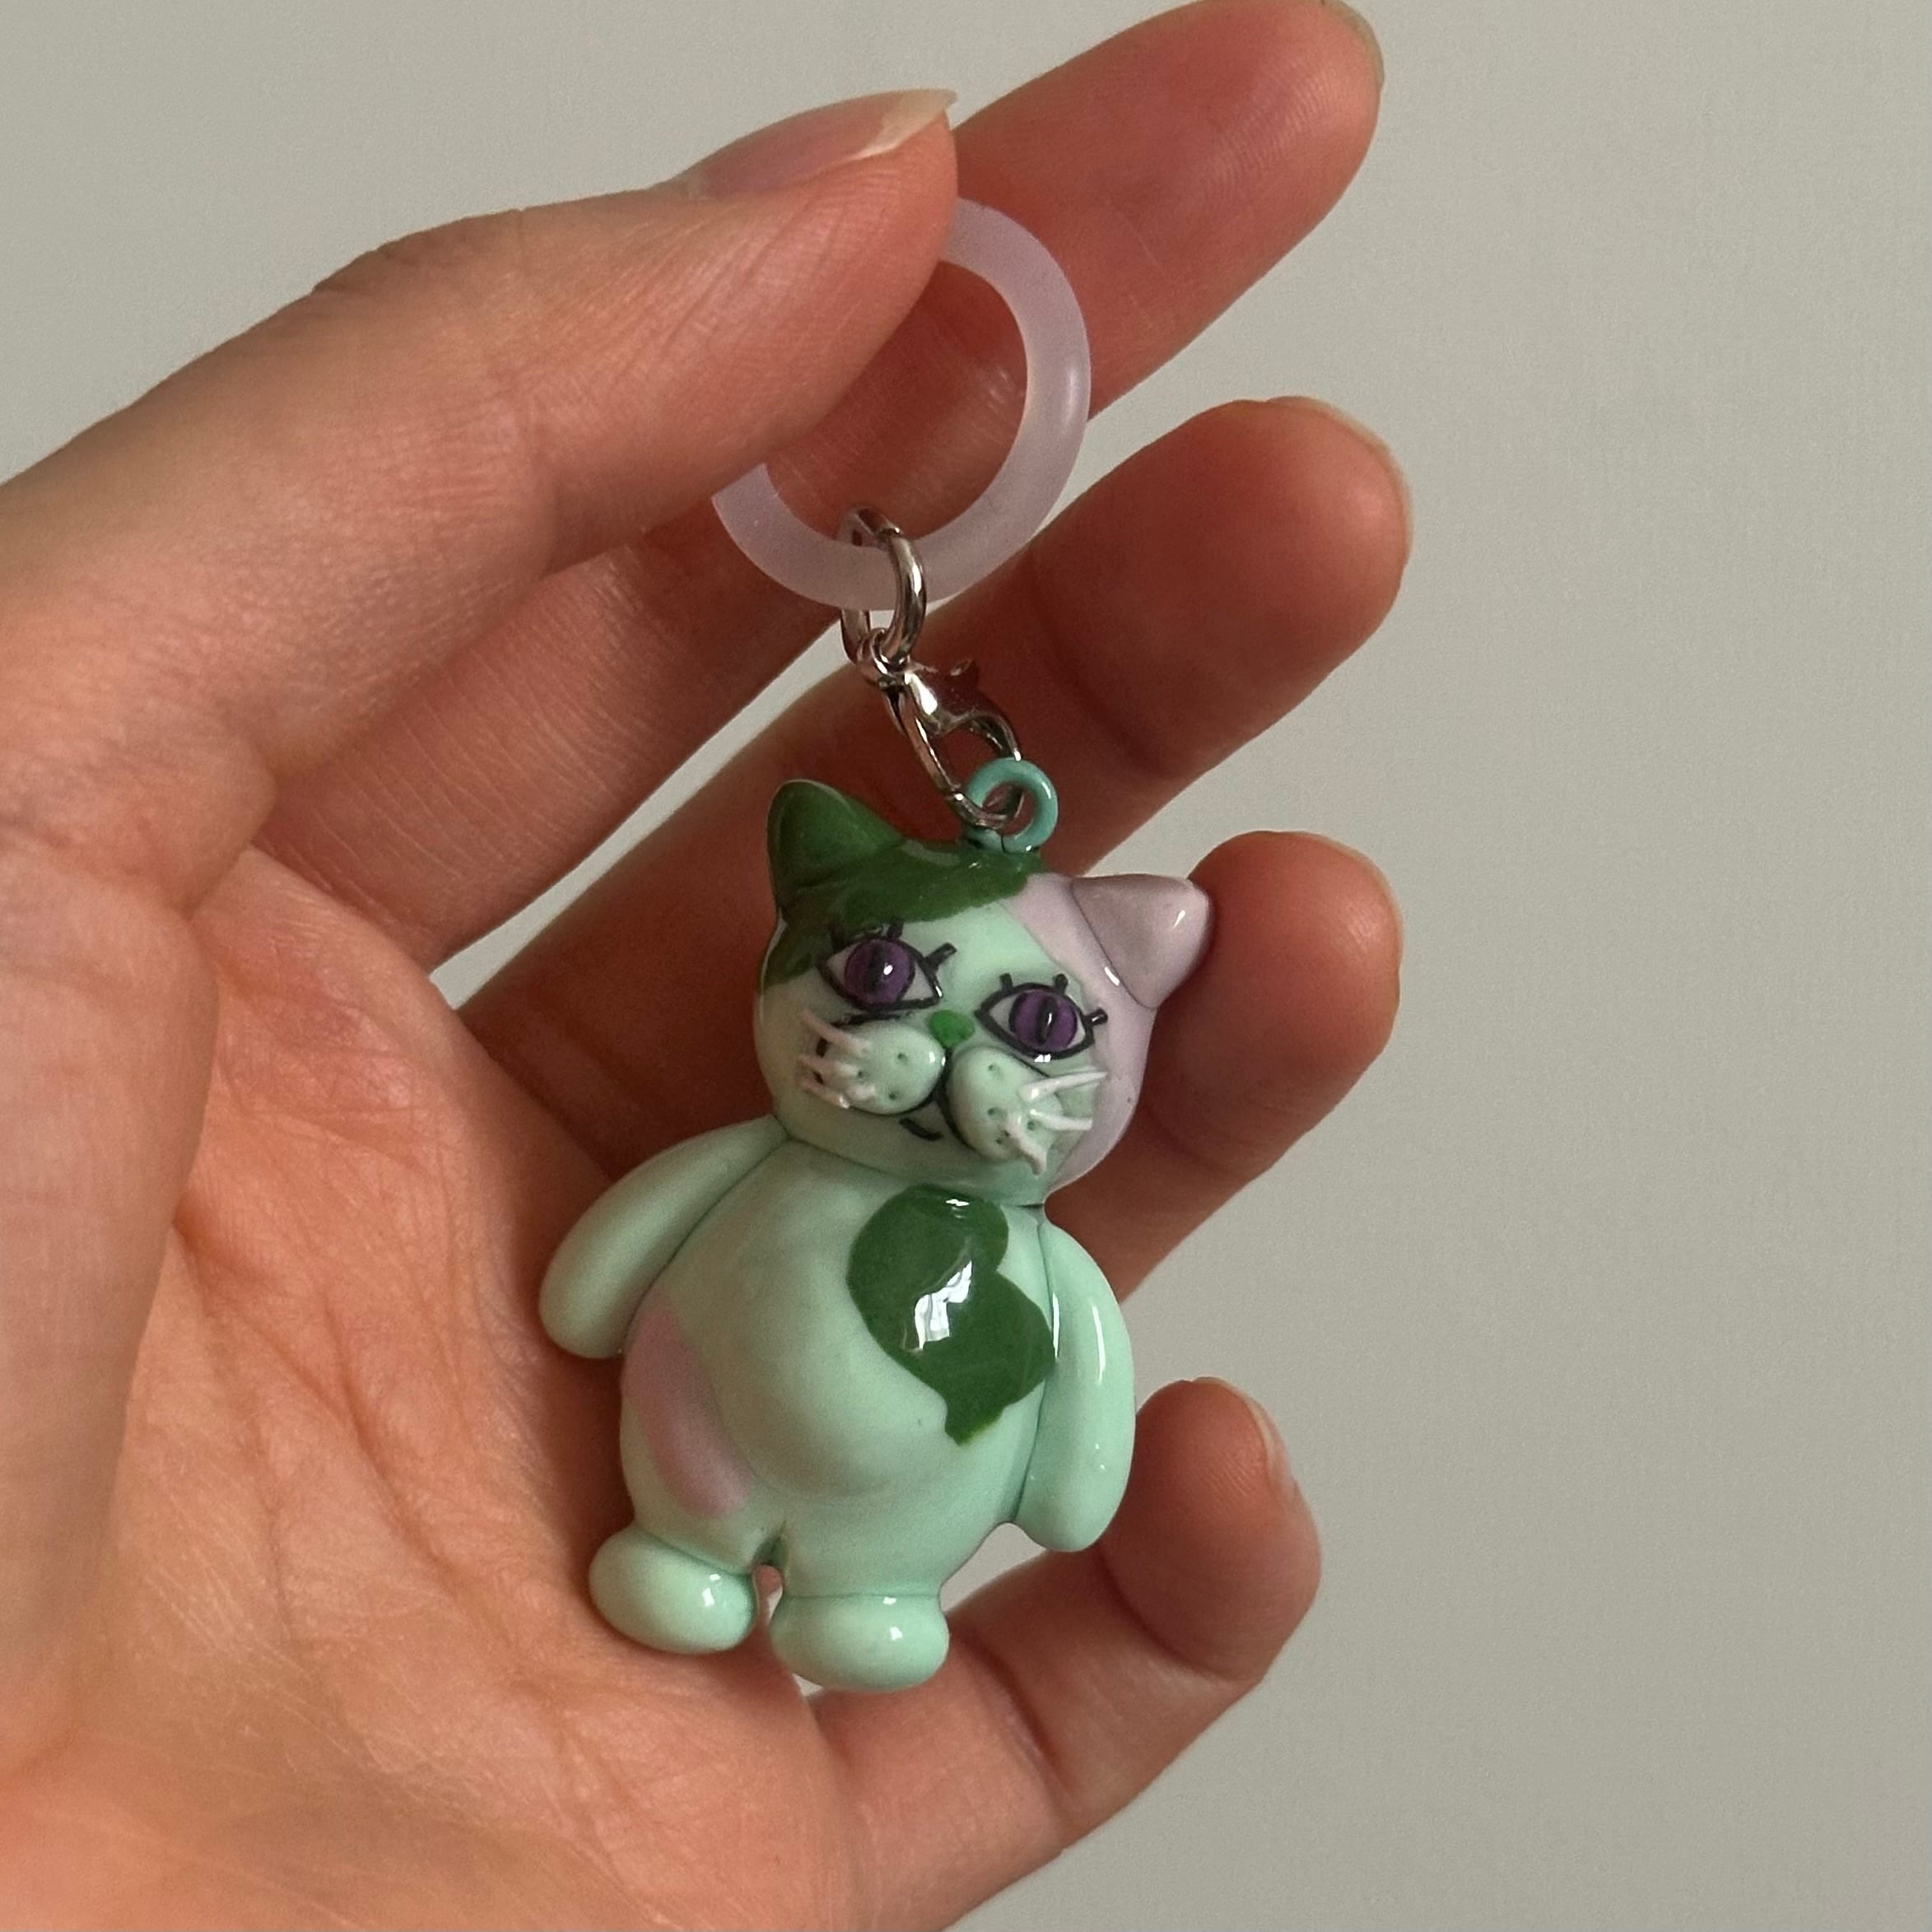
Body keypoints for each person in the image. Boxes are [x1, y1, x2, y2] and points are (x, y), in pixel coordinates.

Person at [0, 2, 1404, 1923]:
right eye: (889, 985)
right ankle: (695, 1544)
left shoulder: (1034, 1250)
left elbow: (1075, 1393)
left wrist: (1073, 1458)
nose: (943, 1050)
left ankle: (868, 1588)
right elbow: (611, 1273)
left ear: (1118, 1012)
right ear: (813, 951)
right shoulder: (769, 1155)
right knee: (690, 1478)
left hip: (887, 1527)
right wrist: (585, 1298)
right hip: (690, 1460)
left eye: (1032, 1021)